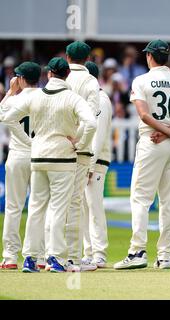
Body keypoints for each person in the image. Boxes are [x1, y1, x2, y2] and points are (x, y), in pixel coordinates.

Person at [1, 57, 96, 272]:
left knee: (35, 209)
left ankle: (29, 259)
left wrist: (31, 141)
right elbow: (91, 122)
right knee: (57, 209)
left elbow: (6, 116)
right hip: (62, 158)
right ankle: (53, 258)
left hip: (38, 156)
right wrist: (80, 142)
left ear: (50, 74)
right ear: (67, 75)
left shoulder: (36, 97)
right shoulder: (72, 97)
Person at [113, 39, 170, 270]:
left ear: (149, 56)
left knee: (140, 199)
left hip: (152, 141)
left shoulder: (142, 80)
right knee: (168, 201)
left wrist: (164, 132)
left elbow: (144, 115)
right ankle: (166, 256)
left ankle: (137, 251)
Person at [0, 62, 44, 270]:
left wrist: (10, 90)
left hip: (18, 155)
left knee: (13, 207)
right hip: (41, 155)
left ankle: (10, 257)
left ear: (20, 78)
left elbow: (2, 114)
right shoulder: (46, 97)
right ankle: (41, 256)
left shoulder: (13, 100)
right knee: (39, 208)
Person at [64, 40, 100, 272]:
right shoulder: (90, 80)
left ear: (67, 57)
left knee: (54, 203)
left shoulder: (60, 78)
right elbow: (92, 117)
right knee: (75, 204)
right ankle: (73, 259)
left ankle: (50, 256)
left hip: (56, 148)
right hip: (79, 150)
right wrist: (81, 143)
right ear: (88, 59)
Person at [81, 61, 112, 269]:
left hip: (97, 160)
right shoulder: (90, 98)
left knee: (94, 205)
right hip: (85, 160)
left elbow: (99, 138)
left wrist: (90, 167)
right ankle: (88, 251)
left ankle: (99, 252)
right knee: (84, 207)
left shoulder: (101, 99)